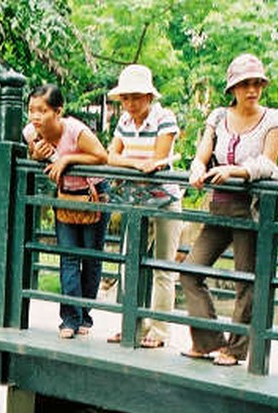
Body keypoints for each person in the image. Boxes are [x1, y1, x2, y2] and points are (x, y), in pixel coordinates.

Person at [181, 54, 278, 366]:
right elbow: (203, 153)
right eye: (244, 84)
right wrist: (197, 168)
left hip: (249, 210)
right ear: (233, 88)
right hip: (219, 206)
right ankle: (208, 339)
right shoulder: (217, 116)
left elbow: (268, 162)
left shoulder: (273, 119)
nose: (251, 90)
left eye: (256, 83)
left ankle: (236, 350)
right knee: (190, 270)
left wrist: (234, 171)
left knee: (246, 283)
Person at [105, 63, 182, 349]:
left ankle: (159, 332)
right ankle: (131, 324)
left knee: (162, 267)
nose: (130, 103)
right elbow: (111, 156)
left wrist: (140, 163)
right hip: (136, 201)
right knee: (129, 262)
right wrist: (135, 163)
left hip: (164, 201)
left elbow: (159, 159)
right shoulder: (124, 121)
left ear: (149, 97)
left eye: (136, 97)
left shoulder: (165, 118)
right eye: (125, 98)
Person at [23, 83, 109, 339]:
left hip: (93, 194)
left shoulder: (75, 130)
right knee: (68, 256)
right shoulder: (31, 132)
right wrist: (35, 153)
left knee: (91, 258)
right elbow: (33, 157)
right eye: (31, 110)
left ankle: (85, 316)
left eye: (42, 110)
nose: (35, 116)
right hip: (65, 195)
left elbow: (101, 156)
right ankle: (70, 319)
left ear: (58, 111)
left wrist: (68, 158)